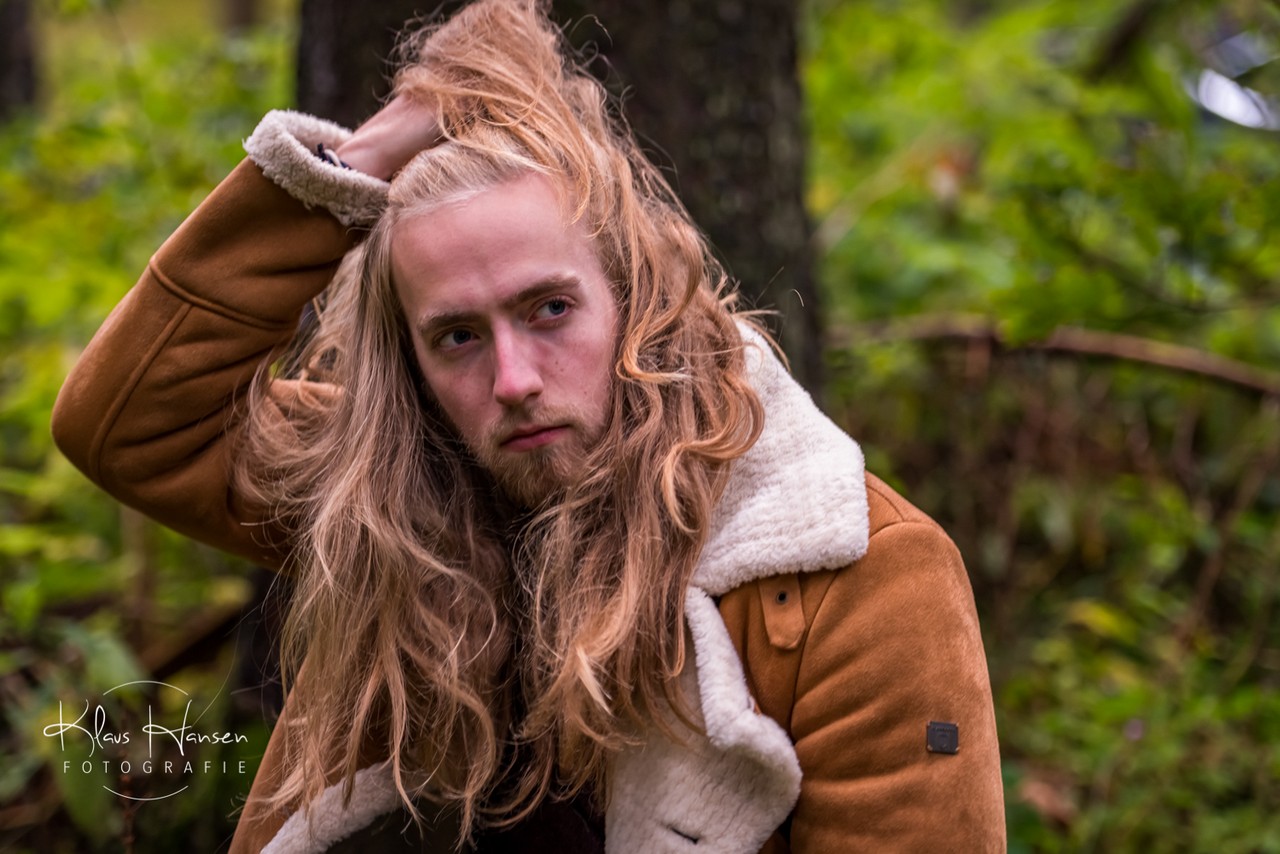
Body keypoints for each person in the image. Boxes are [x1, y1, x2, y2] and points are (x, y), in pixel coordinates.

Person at [51, 1, 1006, 851]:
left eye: (550, 310)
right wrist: (361, 162)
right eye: (458, 337)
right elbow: (129, 426)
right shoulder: (399, 493)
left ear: (636, 299)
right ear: (412, 363)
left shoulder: (862, 582)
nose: (512, 381)